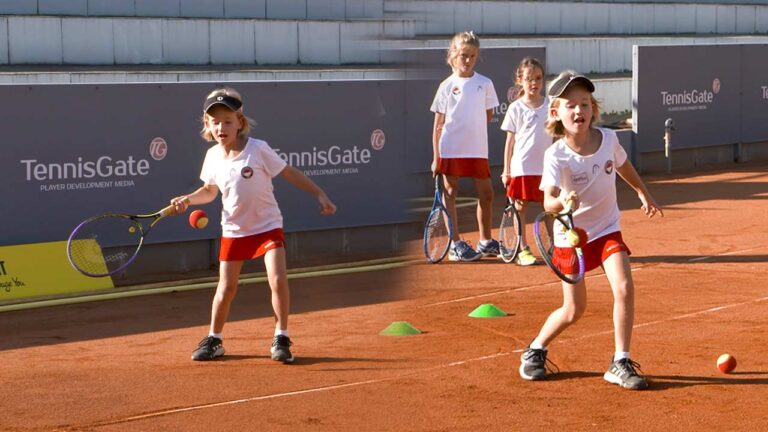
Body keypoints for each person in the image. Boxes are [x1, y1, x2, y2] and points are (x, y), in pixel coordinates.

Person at [518, 71, 663, 390]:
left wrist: (642, 192)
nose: (579, 111)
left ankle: (620, 361)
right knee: (574, 309)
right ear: (556, 112)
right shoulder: (555, 155)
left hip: (607, 230)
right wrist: (563, 202)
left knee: (624, 286)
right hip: (572, 237)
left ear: (593, 108)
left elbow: (623, 165)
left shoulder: (610, 139)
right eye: (571, 105)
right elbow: (548, 201)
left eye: (585, 103)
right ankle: (535, 349)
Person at [171, 87, 337, 363]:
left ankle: (281, 336)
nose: (221, 127)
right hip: (234, 229)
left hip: (267, 226)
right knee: (226, 288)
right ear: (207, 126)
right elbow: (210, 191)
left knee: (277, 279)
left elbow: (289, 173)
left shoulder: (258, 149)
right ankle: (215, 339)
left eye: (227, 120)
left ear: (240, 122)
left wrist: (319, 194)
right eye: (215, 122)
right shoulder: (212, 156)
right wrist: (188, 200)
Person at [430, 31, 500, 261]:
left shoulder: (485, 83)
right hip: (451, 148)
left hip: (478, 149)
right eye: (463, 55)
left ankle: (486, 241)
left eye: (472, 56)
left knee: (487, 194)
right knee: (450, 192)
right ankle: (455, 244)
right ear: (453, 55)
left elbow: (487, 116)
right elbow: (438, 125)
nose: (468, 60)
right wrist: (436, 157)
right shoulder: (446, 86)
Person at [499, 57, 549, 266]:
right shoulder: (515, 108)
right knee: (520, 208)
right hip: (521, 168)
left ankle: (554, 248)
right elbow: (509, 142)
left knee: (551, 208)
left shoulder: (550, 106)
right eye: (529, 79)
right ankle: (523, 249)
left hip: (547, 169)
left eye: (538, 78)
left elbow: (557, 137)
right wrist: (506, 170)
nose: (534, 83)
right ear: (520, 80)